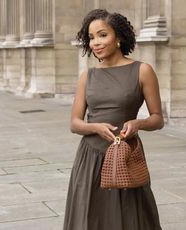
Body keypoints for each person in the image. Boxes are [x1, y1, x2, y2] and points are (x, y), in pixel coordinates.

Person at [63, 8, 164, 230]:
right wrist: (95, 128)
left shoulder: (142, 71)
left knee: (128, 218)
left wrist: (139, 123)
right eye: (91, 37)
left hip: (124, 156)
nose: (95, 43)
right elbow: (74, 123)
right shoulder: (87, 77)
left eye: (102, 35)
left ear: (118, 37)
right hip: (90, 158)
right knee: (89, 218)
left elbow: (158, 119)